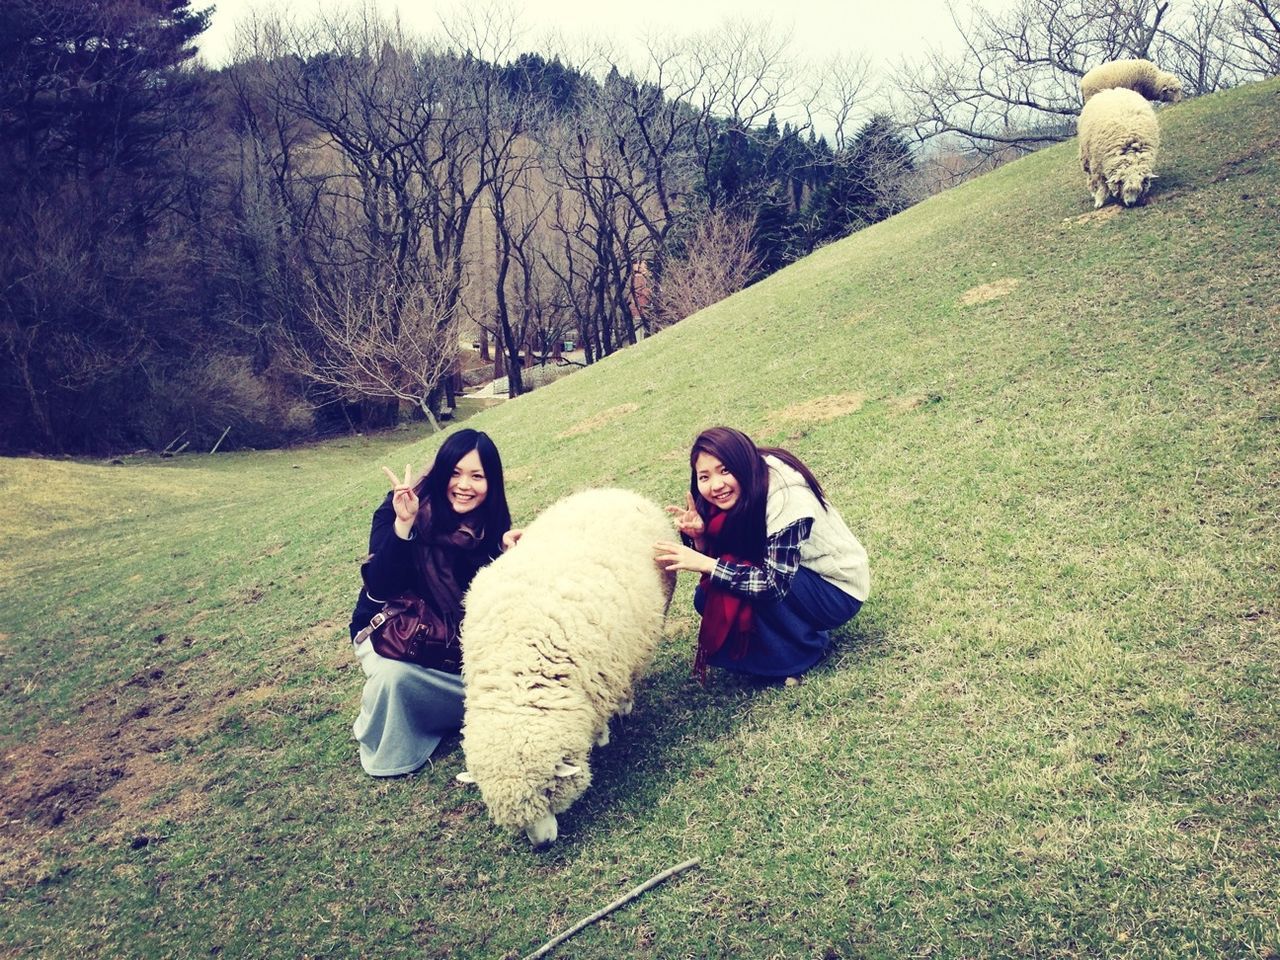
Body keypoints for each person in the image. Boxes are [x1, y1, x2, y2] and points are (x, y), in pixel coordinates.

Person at [348, 428, 512, 776]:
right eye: (455, 472)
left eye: (477, 476)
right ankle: (393, 722)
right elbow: (380, 585)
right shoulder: (399, 509)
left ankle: (435, 708)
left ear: (491, 483)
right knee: (395, 679)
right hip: (395, 634)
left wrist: (509, 560)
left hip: (453, 642)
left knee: (505, 684)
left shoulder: (489, 526)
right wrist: (403, 526)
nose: (464, 485)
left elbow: (488, 605)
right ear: (441, 472)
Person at [654, 426, 869, 683]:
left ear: (742, 462)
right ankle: (778, 646)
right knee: (707, 596)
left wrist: (708, 564)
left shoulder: (786, 499)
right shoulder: (743, 491)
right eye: (704, 477)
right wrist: (700, 535)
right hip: (798, 577)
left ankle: (799, 652)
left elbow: (772, 585)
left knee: (736, 583)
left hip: (836, 589)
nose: (716, 485)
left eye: (725, 470)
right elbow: (734, 554)